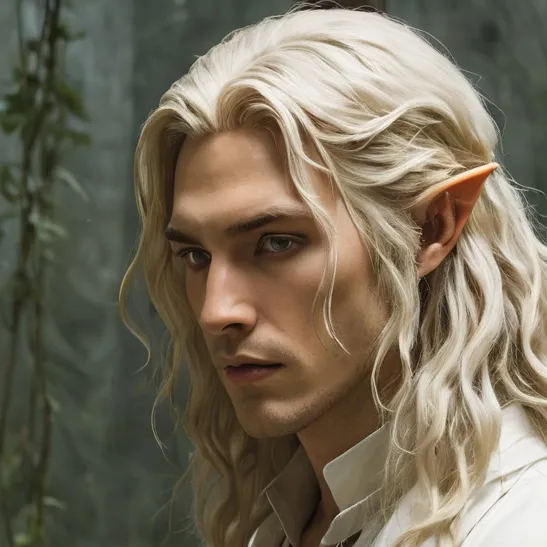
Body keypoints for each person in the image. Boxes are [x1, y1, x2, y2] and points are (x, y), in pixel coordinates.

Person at [119, 6, 547, 547]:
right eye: (196, 256)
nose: (215, 311)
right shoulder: (290, 514)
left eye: (277, 243)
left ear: (431, 228)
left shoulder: (520, 524)